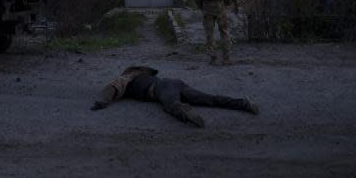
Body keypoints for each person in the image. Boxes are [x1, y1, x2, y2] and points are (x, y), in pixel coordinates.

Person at [90, 66, 258, 128]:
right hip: (175, 82)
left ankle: (187, 112)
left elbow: (112, 88)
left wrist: (101, 102)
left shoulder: (127, 77)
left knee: (171, 105)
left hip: (160, 88)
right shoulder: (142, 73)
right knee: (209, 98)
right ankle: (243, 103)